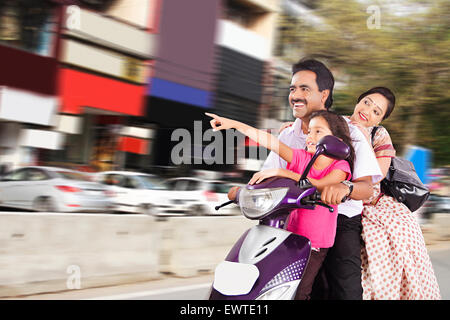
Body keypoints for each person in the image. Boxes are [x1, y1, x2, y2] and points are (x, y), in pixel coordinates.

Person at [261, 58, 383, 300]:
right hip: (292, 220)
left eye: (304, 89)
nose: (295, 95)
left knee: (345, 292)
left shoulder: (350, 132)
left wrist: (344, 188)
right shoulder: (287, 135)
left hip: (339, 220)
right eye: (292, 89)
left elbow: (366, 189)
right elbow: (267, 177)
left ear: (324, 94)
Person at [206, 110, 354, 300]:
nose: (310, 136)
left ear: (336, 141)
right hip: (287, 236)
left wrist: (282, 172)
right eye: (309, 131)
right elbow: (271, 142)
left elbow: (321, 185)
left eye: (318, 132)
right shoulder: (301, 157)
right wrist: (235, 124)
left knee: (300, 291)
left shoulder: (340, 166)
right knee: (268, 283)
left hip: (314, 243)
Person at [347, 87, 441, 300]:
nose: (368, 110)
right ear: (359, 100)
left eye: (376, 112)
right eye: (367, 102)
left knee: (394, 241)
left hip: (371, 203)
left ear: (379, 121)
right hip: (332, 196)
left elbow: (376, 175)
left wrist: (362, 138)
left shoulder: (377, 134)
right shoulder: (334, 123)